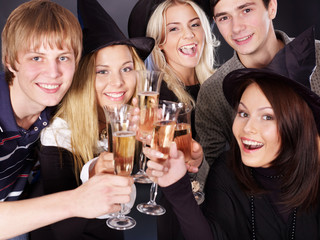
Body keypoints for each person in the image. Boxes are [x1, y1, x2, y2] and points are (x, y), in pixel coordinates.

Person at [144, 29, 320, 239]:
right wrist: (177, 186)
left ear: (297, 124)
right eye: (243, 113)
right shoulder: (227, 171)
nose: (247, 128)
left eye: (267, 117)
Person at [27, 0, 155, 239]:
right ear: (83, 77)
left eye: (126, 69)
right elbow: (62, 230)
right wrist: (94, 175)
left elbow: (125, 208)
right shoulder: (59, 134)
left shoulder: (131, 124)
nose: (117, 82)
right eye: (102, 71)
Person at [0, 1, 122, 239]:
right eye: (37, 58)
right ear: (11, 61)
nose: (53, 72)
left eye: (63, 58)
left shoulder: (54, 104)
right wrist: (76, 201)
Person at [128, 1, 218, 239]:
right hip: (181, 210)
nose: (189, 34)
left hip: (227, 204)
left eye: (195, 24)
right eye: (174, 28)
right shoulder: (155, 97)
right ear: (158, 41)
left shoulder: (220, 84)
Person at [195, 0, 320, 169]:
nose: (236, 28)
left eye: (246, 10)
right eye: (224, 17)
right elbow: (209, 174)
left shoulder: (318, 55)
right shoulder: (212, 92)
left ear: (272, 8)